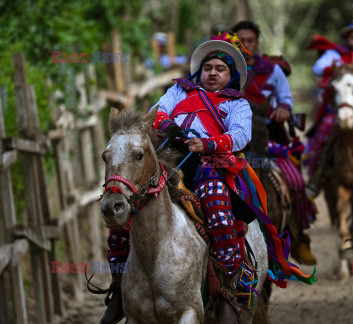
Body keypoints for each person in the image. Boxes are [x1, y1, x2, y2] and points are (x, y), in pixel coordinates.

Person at [101, 32, 315, 324]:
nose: (212, 73)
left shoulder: (236, 104)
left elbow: (241, 135)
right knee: (125, 208)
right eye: (208, 68)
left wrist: (210, 144)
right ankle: (119, 288)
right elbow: (157, 112)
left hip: (209, 166)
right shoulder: (178, 91)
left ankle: (229, 288)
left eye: (220, 69)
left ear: (231, 75)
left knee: (216, 201)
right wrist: (168, 125)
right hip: (168, 162)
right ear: (199, 71)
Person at [232, 20, 318, 265]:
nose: (246, 45)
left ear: (257, 43)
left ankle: (299, 239)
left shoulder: (272, 71)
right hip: (228, 141)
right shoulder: (224, 67)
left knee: (295, 181)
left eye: (250, 40)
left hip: (267, 139)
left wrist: (283, 109)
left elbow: (286, 100)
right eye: (241, 41)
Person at [305, 1, 353, 196]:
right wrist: (340, 68)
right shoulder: (335, 53)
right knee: (324, 132)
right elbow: (317, 68)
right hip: (338, 106)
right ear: (347, 38)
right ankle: (316, 174)